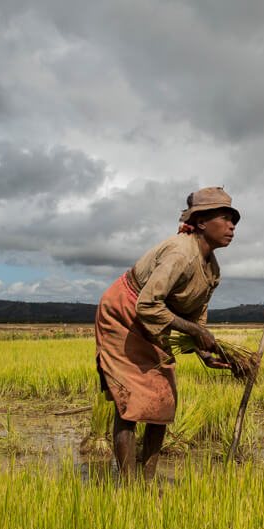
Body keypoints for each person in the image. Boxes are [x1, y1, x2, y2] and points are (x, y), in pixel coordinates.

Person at [95, 186, 238, 481]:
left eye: (234, 220)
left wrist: (203, 351)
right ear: (200, 222)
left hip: (155, 317)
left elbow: (195, 313)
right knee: (130, 402)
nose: (232, 226)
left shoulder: (212, 268)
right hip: (126, 312)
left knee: (162, 400)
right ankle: (127, 487)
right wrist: (195, 330)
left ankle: (146, 480)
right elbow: (148, 304)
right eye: (225, 218)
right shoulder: (179, 253)